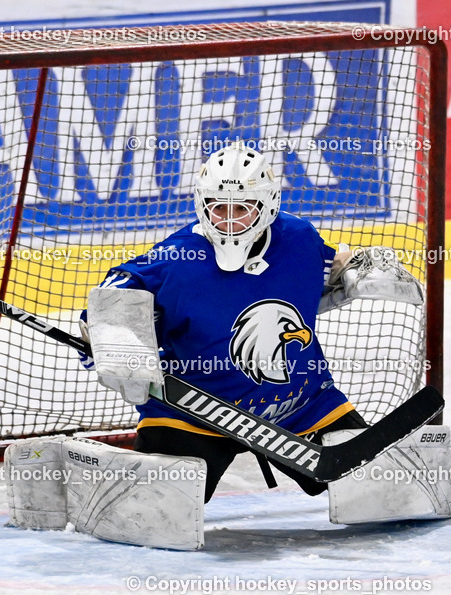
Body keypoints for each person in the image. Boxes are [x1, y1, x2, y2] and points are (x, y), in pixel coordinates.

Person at [82, 141, 372, 502]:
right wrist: (112, 336)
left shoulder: (299, 239)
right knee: (155, 505)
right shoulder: (177, 258)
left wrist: (360, 266)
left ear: (268, 205)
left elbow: (331, 267)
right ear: (202, 205)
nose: (230, 219)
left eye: (243, 207)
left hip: (299, 406)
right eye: (219, 207)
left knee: (373, 486)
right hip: (192, 411)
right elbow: (115, 291)